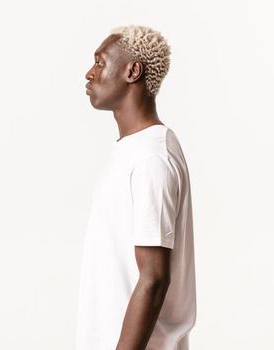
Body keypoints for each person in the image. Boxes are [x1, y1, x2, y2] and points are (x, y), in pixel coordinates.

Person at [76, 25, 197, 350]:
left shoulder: (151, 159)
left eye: (100, 62)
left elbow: (154, 278)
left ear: (133, 71)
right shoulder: (134, 151)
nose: (90, 74)